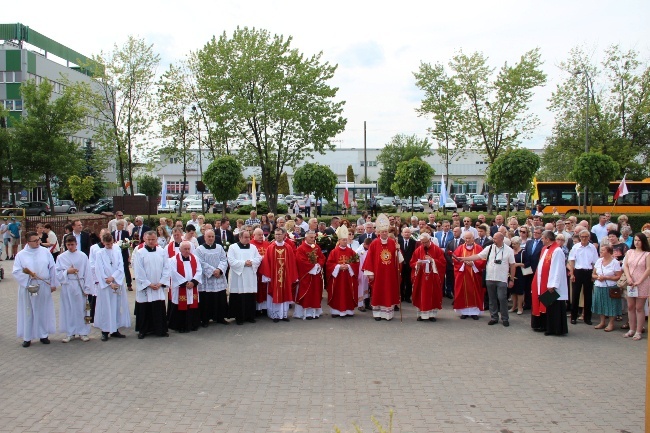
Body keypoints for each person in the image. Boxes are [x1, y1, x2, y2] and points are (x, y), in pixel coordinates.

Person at [13, 231, 57, 347]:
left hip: (42, 285)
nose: (38, 242)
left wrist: (53, 283)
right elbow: (16, 271)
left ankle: (43, 335)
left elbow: (52, 268)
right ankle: (27, 337)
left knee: (42, 310)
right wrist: (28, 275)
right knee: (28, 311)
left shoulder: (45, 252)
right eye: (35, 241)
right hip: (28, 286)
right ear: (28, 242)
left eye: (38, 239)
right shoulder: (21, 255)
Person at [461, 232, 515, 327]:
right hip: (490, 277)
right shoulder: (489, 248)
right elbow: (478, 256)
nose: (493, 240)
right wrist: (464, 258)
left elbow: (512, 265)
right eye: (493, 238)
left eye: (495, 238)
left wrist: (512, 279)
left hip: (501, 278)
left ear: (501, 239)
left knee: (502, 298)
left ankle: (505, 318)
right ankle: (494, 317)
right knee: (492, 298)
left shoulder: (509, 250)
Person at [362, 214, 402, 321]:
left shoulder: (393, 242)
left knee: (388, 292)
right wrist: (370, 273)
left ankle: (388, 314)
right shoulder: (374, 243)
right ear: (379, 232)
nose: (384, 233)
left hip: (390, 273)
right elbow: (369, 258)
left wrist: (398, 250)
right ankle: (378, 314)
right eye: (382, 232)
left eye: (386, 232)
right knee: (378, 292)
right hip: (378, 273)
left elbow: (398, 260)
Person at [133, 231, 171, 339]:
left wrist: (161, 282)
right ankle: (143, 330)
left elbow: (166, 268)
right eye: (148, 239)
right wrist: (148, 284)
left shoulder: (162, 252)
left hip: (158, 285)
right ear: (144, 239)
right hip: (146, 286)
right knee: (144, 308)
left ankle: (160, 329)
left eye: (153, 239)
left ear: (156, 240)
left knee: (158, 308)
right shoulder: (140, 253)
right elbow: (138, 270)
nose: (151, 241)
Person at [93, 232, 131, 341]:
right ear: (103, 242)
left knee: (116, 307)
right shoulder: (99, 253)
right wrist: (109, 282)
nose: (109, 246)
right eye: (107, 244)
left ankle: (115, 329)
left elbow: (121, 266)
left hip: (116, 283)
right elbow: (99, 269)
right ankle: (105, 331)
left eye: (110, 244)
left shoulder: (117, 251)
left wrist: (114, 278)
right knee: (106, 308)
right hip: (106, 286)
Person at [56, 234, 93, 343]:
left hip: (79, 284)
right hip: (68, 285)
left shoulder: (82, 256)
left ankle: (83, 332)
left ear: (76, 244)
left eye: (72, 244)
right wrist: (67, 271)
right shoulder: (61, 257)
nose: (70, 247)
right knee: (69, 309)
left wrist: (87, 288)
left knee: (81, 309)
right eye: (68, 245)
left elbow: (88, 272)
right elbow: (57, 272)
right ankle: (70, 332)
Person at [530, 231, 568, 335]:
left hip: (552, 284)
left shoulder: (557, 251)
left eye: (542, 238)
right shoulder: (544, 249)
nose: (541, 240)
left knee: (552, 306)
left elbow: (557, 268)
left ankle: (553, 328)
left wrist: (553, 284)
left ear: (547, 239)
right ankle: (543, 325)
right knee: (544, 303)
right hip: (541, 281)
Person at [260, 227, 299, 322]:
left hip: (285, 276)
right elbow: (266, 262)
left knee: (285, 294)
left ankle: (284, 314)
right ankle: (275, 315)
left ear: (284, 235)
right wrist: (267, 275)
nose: (278, 236)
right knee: (275, 294)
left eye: (279, 234)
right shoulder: (271, 247)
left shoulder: (288, 247)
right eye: (276, 234)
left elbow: (292, 263)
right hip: (274, 276)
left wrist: (293, 275)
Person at [227, 229, 262, 325]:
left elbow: (258, 258)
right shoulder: (233, 247)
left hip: (250, 275)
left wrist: (252, 262)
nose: (248, 239)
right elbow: (231, 260)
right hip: (238, 276)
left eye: (249, 237)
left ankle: (250, 316)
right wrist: (244, 263)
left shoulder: (253, 247)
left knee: (250, 296)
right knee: (239, 296)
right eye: (245, 237)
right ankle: (239, 317)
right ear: (240, 237)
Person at [195, 229, 229, 327]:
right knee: (206, 299)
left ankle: (220, 317)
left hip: (219, 277)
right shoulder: (199, 249)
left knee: (220, 298)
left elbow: (224, 260)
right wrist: (213, 271)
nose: (210, 238)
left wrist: (219, 270)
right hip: (207, 279)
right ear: (204, 237)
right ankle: (205, 319)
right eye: (208, 237)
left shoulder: (219, 247)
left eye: (212, 236)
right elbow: (200, 262)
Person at [410, 233, 446, 322]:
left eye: (426, 242)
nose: (424, 244)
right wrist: (417, 264)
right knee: (421, 294)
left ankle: (432, 315)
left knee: (432, 294)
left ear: (430, 240)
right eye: (422, 242)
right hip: (421, 277)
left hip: (432, 277)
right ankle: (421, 314)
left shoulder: (437, 250)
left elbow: (443, 263)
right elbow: (412, 262)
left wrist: (432, 260)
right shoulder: (418, 250)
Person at [169, 241, 202, 333]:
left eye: (188, 249)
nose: (187, 251)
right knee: (181, 305)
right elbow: (173, 273)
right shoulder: (173, 260)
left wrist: (193, 282)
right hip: (180, 288)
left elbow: (199, 271)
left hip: (192, 287)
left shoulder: (195, 258)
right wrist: (184, 283)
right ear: (180, 249)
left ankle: (193, 324)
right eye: (185, 249)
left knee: (192, 304)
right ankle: (180, 326)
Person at [326, 226, 359, 318]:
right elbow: (329, 264)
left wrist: (349, 266)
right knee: (337, 292)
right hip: (338, 277)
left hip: (348, 277)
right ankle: (336, 311)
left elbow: (356, 262)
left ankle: (348, 311)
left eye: (346, 240)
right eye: (343, 240)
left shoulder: (351, 252)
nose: (345, 241)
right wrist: (338, 266)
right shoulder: (334, 252)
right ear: (339, 240)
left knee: (348, 292)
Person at [567, 230, 599, 325]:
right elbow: (571, 261)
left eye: (586, 237)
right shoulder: (576, 247)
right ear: (580, 237)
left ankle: (587, 317)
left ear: (589, 237)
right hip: (578, 271)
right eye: (582, 237)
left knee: (588, 295)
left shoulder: (592, 247)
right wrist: (572, 274)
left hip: (588, 271)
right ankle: (573, 317)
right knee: (575, 295)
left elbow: (595, 262)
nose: (584, 238)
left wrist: (593, 274)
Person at [622, 233, 650, 340]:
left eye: (639, 240)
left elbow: (648, 269)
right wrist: (628, 278)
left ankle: (638, 331)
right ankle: (631, 329)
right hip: (631, 282)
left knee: (639, 307)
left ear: (643, 241)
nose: (636, 242)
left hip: (642, 282)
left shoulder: (647, 254)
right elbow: (626, 265)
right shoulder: (630, 252)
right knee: (630, 306)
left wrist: (639, 281)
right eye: (635, 240)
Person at [452, 232, 486, 320]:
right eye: (466, 238)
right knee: (463, 292)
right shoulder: (460, 248)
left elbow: (483, 259)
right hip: (463, 274)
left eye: (469, 238)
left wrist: (473, 264)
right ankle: (464, 312)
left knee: (475, 292)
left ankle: (475, 312)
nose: (467, 240)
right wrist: (463, 262)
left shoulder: (478, 248)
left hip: (475, 275)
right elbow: (455, 259)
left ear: (473, 238)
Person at [294, 230, 326, 320]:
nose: (313, 239)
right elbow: (300, 261)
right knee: (307, 293)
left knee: (316, 292)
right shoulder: (301, 248)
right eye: (311, 238)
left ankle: (315, 312)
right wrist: (313, 266)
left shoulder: (316, 247)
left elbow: (322, 257)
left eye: (314, 237)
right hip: (306, 275)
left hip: (316, 275)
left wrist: (319, 265)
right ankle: (306, 313)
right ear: (305, 238)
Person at [591, 245, 623, 332]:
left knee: (611, 304)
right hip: (599, 285)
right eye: (600, 251)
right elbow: (593, 274)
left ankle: (611, 323)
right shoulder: (598, 261)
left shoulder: (615, 262)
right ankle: (602, 322)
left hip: (610, 286)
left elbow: (618, 276)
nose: (600, 252)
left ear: (609, 252)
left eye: (603, 251)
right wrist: (598, 277)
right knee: (600, 303)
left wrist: (606, 277)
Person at [250, 228, 270, 315]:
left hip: (265, 270)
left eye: (262, 234)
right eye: (259, 234)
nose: (261, 236)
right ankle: (257, 309)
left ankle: (265, 308)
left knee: (265, 289)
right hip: (255, 270)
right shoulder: (251, 244)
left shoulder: (267, 244)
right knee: (257, 289)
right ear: (254, 235)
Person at [398, 227, 417, 303]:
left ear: (410, 234)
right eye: (405, 232)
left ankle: (408, 297)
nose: (406, 234)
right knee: (401, 281)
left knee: (409, 281)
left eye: (408, 232)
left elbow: (414, 253)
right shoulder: (398, 242)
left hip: (410, 264)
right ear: (402, 233)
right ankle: (401, 296)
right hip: (401, 265)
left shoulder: (413, 242)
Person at [509, 237, 526, 315]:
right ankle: (513, 306)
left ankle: (520, 307)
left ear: (519, 244)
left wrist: (517, 264)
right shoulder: (510, 251)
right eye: (512, 244)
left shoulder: (523, 252)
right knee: (513, 291)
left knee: (519, 291)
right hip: (511, 273)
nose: (513, 245)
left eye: (515, 244)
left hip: (520, 273)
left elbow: (527, 263)